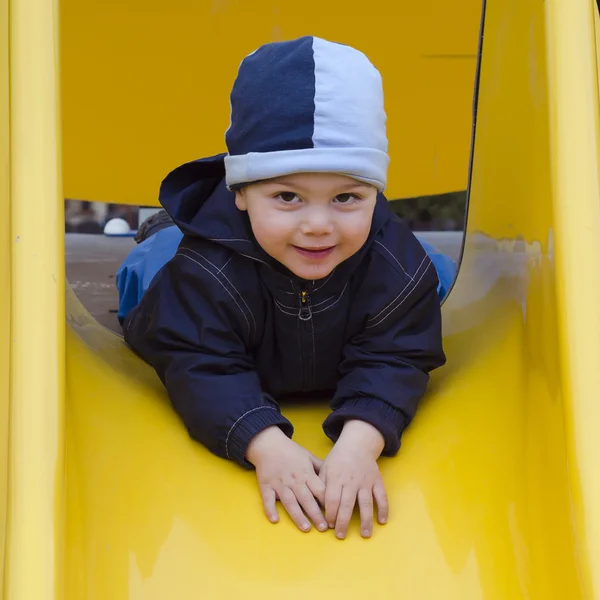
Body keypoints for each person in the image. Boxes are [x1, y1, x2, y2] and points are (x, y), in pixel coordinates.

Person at [120, 36, 449, 540]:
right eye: (287, 196)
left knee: (431, 272)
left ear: (375, 193)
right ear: (241, 194)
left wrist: (361, 443)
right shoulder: (203, 272)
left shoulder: (395, 266)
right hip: (198, 267)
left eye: (345, 196)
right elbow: (198, 362)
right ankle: (159, 227)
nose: (318, 224)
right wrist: (263, 442)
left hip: (335, 296)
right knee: (150, 269)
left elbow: (398, 356)